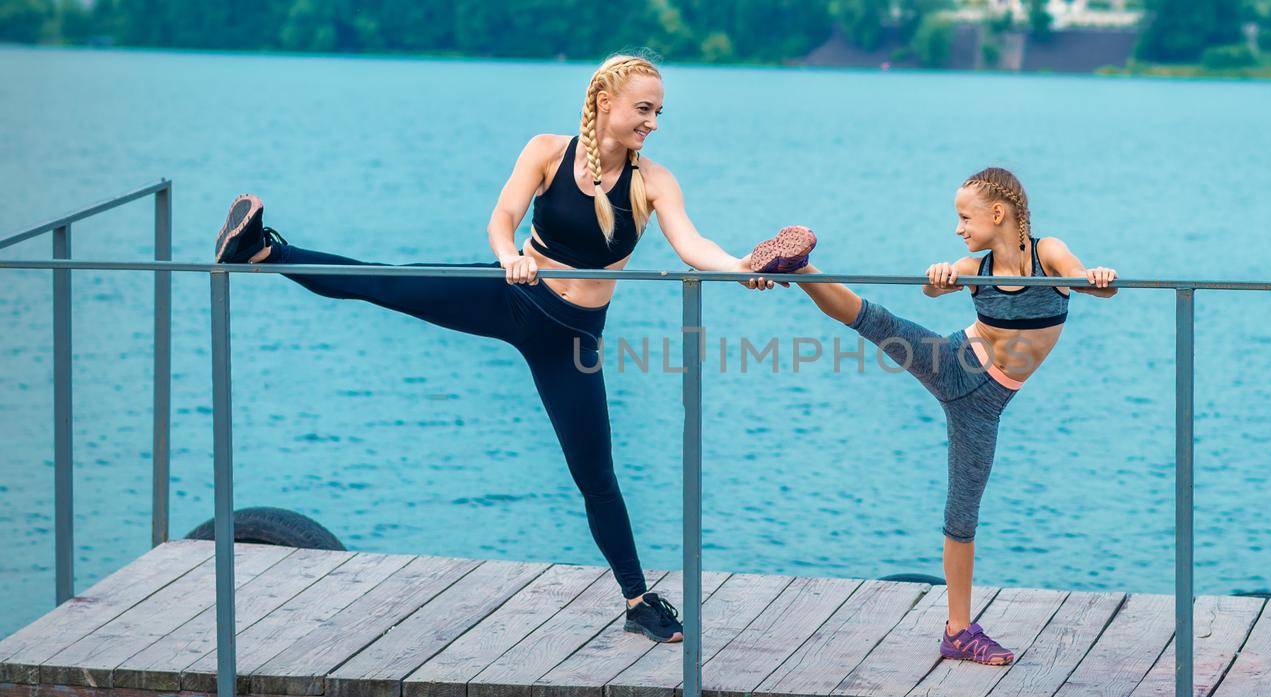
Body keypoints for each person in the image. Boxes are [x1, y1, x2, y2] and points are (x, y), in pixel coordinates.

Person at [211, 53, 814, 643]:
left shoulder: (653, 181)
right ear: (606, 101)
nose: (653, 123)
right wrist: (510, 256)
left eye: (659, 112)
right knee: (383, 280)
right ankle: (265, 251)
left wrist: (738, 267)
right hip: (511, 295)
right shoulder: (547, 152)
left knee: (596, 476)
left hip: (572, 338)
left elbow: (692, 244)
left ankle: (636, 600)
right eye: (643, 109)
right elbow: (503, 217)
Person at [788, 167, 1116, 664]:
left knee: (962, 516)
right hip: (955, 364)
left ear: (998, 213)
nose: (959, 228)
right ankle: (802, 269)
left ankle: (956, 632)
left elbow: (1096, 286)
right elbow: (933, 290)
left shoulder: (1048, 254)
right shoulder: (973, 266)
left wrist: (1099, 278)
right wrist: (941, 278)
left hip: (985, 403)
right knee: (875, 320)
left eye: (965, 217)